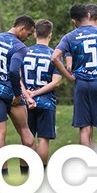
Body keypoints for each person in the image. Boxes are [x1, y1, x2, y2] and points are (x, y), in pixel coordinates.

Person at [52, 4, 97, 147]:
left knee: (85, 127)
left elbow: (55, 57)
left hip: (81, 83)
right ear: (88, 15)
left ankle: (87, 165)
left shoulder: (69, 37)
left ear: (73, 20)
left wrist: (69, 77)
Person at [0, 16, 36, 164]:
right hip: (10, 93)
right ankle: (30, 172)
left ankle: (2, 174)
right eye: (29, 33)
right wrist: (18, 94)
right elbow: (14, 71)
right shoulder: (19, 47)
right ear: (21, 28)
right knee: (25, 130)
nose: (28, 37)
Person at [22, 19, 62, 165]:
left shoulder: (24, 52)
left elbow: (17, 76)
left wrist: (29, 94)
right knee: (43, 139)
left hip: (26, 100)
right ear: (50, 35)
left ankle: (25, 174)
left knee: (26, 139)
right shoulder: (54, 55)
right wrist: (37, 93)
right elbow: (56, 82)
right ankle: (41, 173)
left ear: (34, 34)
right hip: (46, 101)